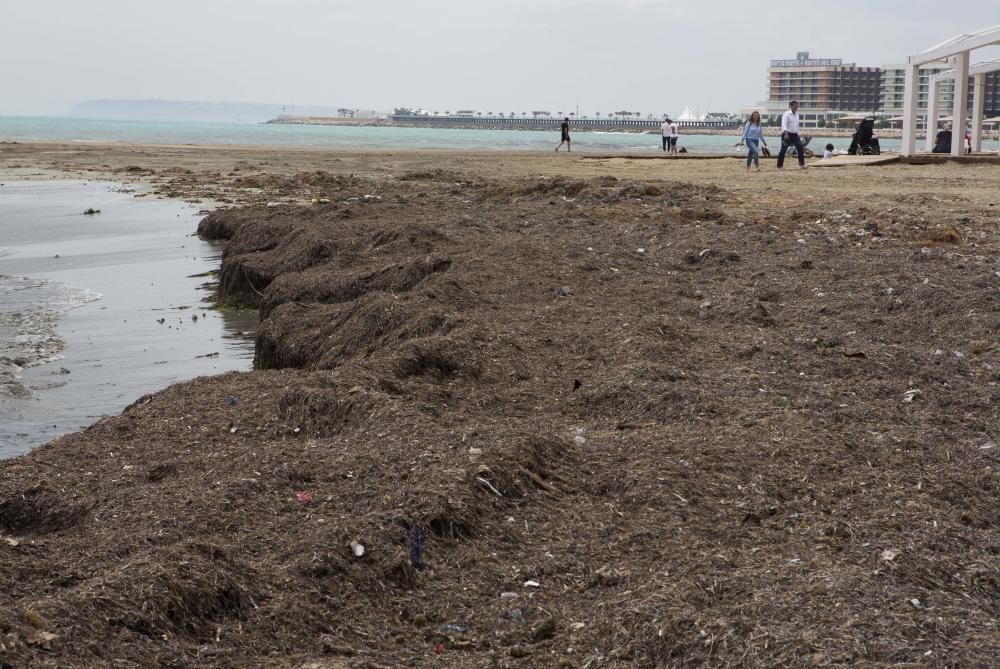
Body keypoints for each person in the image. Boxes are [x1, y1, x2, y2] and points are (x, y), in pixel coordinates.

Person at [776, 100, 806, 169]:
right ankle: (779, 166)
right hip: (787, 134)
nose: (796, 107)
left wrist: (798, 133)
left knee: (800, 148)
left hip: (795, 135)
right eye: (795, 105)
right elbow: (783, 124)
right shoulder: (786, 114)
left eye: (797, 106)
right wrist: (786, 133)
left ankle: (802, 164)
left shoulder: (797, 115)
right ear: (791, 106)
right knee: (783, 150)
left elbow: (796, 126)